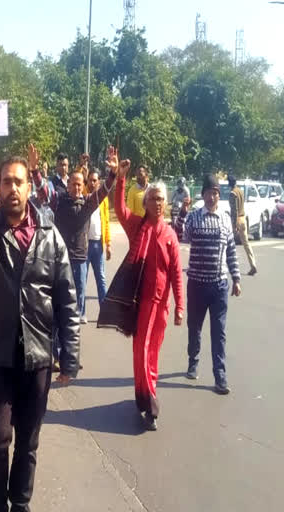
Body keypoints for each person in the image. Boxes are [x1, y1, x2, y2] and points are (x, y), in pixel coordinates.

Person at [0, 145, 80, 512]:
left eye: (18, 182)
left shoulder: (50, 236)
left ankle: (20, 503)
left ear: (28, 188)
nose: (12, 189)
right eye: (6, 182)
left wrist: (70, 356)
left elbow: (67, 299)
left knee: (29, 439)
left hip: (38, 355)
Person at [112, 155, 184, 430]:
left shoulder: (170, 235)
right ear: (145, 203)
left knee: (152, 352)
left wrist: (179, 306)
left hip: (160, 306)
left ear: (165, 204)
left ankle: (144, 396)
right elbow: (119, 208)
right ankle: (150, 403)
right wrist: (120, 178)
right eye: (152, 198)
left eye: (160, 199)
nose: (156, 202)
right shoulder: (138, 226)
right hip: (140, 303)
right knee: (140, 351)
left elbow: (177, 272)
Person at [175, 174, 241, 395]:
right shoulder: (195, 216)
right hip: (197, 284)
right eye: (208, 193)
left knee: (219, 331)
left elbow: (231, 250)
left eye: (215, 193)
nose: (212, 196)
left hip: (219, 285)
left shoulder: (225, 218)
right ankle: (193, 362)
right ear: (202, 195)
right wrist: (183, 212)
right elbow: (180, 233)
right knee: (194, 327)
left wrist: (236, 278)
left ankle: (219, 375)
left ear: (218, 195)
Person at [53, 164, 116, 324]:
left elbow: (103, 192)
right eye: (73, 184)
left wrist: (113, 173)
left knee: (79, 293)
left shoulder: (88, 204)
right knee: (60, 296)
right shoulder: (59, 202)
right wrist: (34, 171)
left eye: (79, 184)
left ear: (84, 186)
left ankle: (76, 325)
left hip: (81, 258)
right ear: (68, 186)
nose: (76, 187)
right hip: (61, 259)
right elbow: (43, 192)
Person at [84, 169, 112, 318]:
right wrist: (81, 167)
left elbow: (106, 221)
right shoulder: (84, 196)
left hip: (98, 245)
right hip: (85, 245)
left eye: (95, 180)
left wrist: (108, 243)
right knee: (82, 279)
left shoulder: (103, 199)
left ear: (99, 182)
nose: (92, 183)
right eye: (90, 180)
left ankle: (105, 310)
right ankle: (81, 313)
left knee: (101, 278)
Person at [228, 175, 257, 276]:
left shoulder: (232, 193)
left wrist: (234, 224)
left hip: (237, 220)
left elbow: (234, 210)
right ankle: (253, 264)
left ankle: (228, 265)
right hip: (243, 218)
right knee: (246, 244)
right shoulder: (240, 191)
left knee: (229, 243)